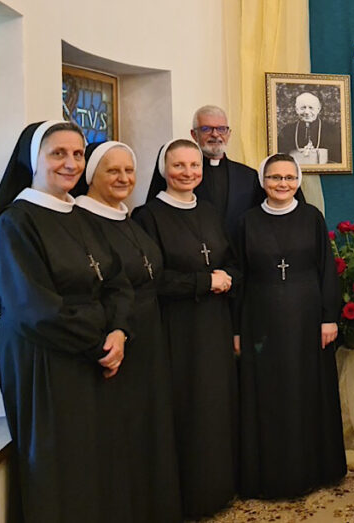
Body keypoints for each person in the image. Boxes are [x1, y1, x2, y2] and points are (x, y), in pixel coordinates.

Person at [0, 121, 133, 522]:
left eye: (78, 154)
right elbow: (33, 308)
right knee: (57, 460)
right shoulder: (14, 224)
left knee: (94, 457)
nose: (71, 163)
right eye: (58, 153)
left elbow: (117, 281)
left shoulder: (80, 215)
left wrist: (119, 331)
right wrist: (99, 343)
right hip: (44, 357)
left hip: (93, 350)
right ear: (34, 160)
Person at [75, 141, 183, 523]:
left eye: (129, 170)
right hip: (114, 337)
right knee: (121, 431)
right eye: (113, 171)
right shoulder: (82, 220)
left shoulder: (126, 216)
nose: (124, 178)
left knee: (148, 427)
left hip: (148, 331)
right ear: (92, 175)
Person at [132, 138, 240, 519]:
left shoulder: (208, 211)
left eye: (194, 166)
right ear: (164, 169)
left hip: (215, 323)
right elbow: (151, 280)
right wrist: (204, 282)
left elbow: (229, 260)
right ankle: (189, 497)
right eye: (179, 165)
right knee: (188, 407)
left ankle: (219, 490)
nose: (188, 172)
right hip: (177, 329)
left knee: (216, 406)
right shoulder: (147, 216)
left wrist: (228, 277)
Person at [234, 153, 346, 498]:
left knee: (306, 391)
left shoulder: (312, 217)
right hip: (260, 320)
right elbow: (239, 276)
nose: (282, 184)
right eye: (274, 177)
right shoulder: (247, 221)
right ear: (263, 181)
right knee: (269, 396)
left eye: (289, 177)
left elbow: (327, 270)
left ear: (298, 181)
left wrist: (329, 317)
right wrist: (236, 328)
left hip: (308, 318)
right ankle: (270, 475)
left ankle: (313, 469)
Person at [146, 105, 264, 236]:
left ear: (229, 133)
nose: (215, 134)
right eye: (206, 129)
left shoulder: (248, 176)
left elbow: (257, 221)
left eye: (221, 129)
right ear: (194, 135)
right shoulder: (183, 176)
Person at [277, 92, 343, 165]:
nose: (307, 112)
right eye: (303, 108)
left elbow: (338, 160)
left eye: (311, 108)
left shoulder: (331, 130)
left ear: (318, 109)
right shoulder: (287, 131)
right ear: (296, 109)